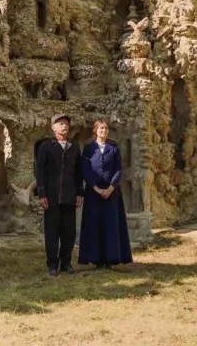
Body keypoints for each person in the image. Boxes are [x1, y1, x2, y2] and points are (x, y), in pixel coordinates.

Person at [78, 119, 133, 268]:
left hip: (111, 193)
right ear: (95, 131)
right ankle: (96, 259)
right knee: (94, 225)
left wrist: (110, 188)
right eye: (101, 128)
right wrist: (95, 188)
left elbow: (118, 169)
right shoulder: (89, 148)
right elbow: (85, 170)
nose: (104, 131)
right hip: (93, 194)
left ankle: (110, 258)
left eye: (106, 129)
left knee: (110, 225)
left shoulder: (113, 148)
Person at [35, 114, 84, 276]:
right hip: (51, 196)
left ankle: (66, 263)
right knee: (52, 231)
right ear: (53, 127)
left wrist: (79, 193)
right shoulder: (46, 147)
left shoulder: (74, 147)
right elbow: (40, 171)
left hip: (70, 196)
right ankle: (52, 264)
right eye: (61, 123)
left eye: (66, 123)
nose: (65, 126)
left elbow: (78, 172)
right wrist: (41, 193)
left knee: (69, 232)